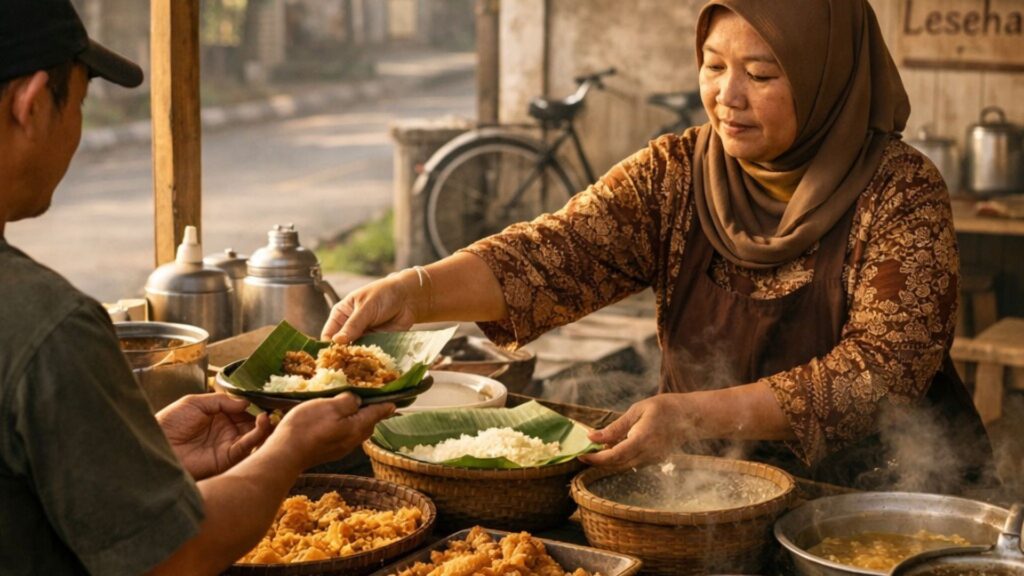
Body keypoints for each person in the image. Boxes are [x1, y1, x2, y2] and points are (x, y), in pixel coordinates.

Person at [323, 0, 995, 493]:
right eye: (712, 66)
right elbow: (557, 252)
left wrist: (692, 414)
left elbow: (883, 372)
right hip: (709, 487)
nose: (726, 97)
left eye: (761, 75)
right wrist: (415, 290)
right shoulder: (677, 171)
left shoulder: (900, 192)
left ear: (828, 77)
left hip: (878, 496)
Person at [0, 1, 395, 574]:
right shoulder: (47, 325)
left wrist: (145, 454)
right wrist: (291, 450)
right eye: (80, 104)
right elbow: (180, 555)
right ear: (33, 105)